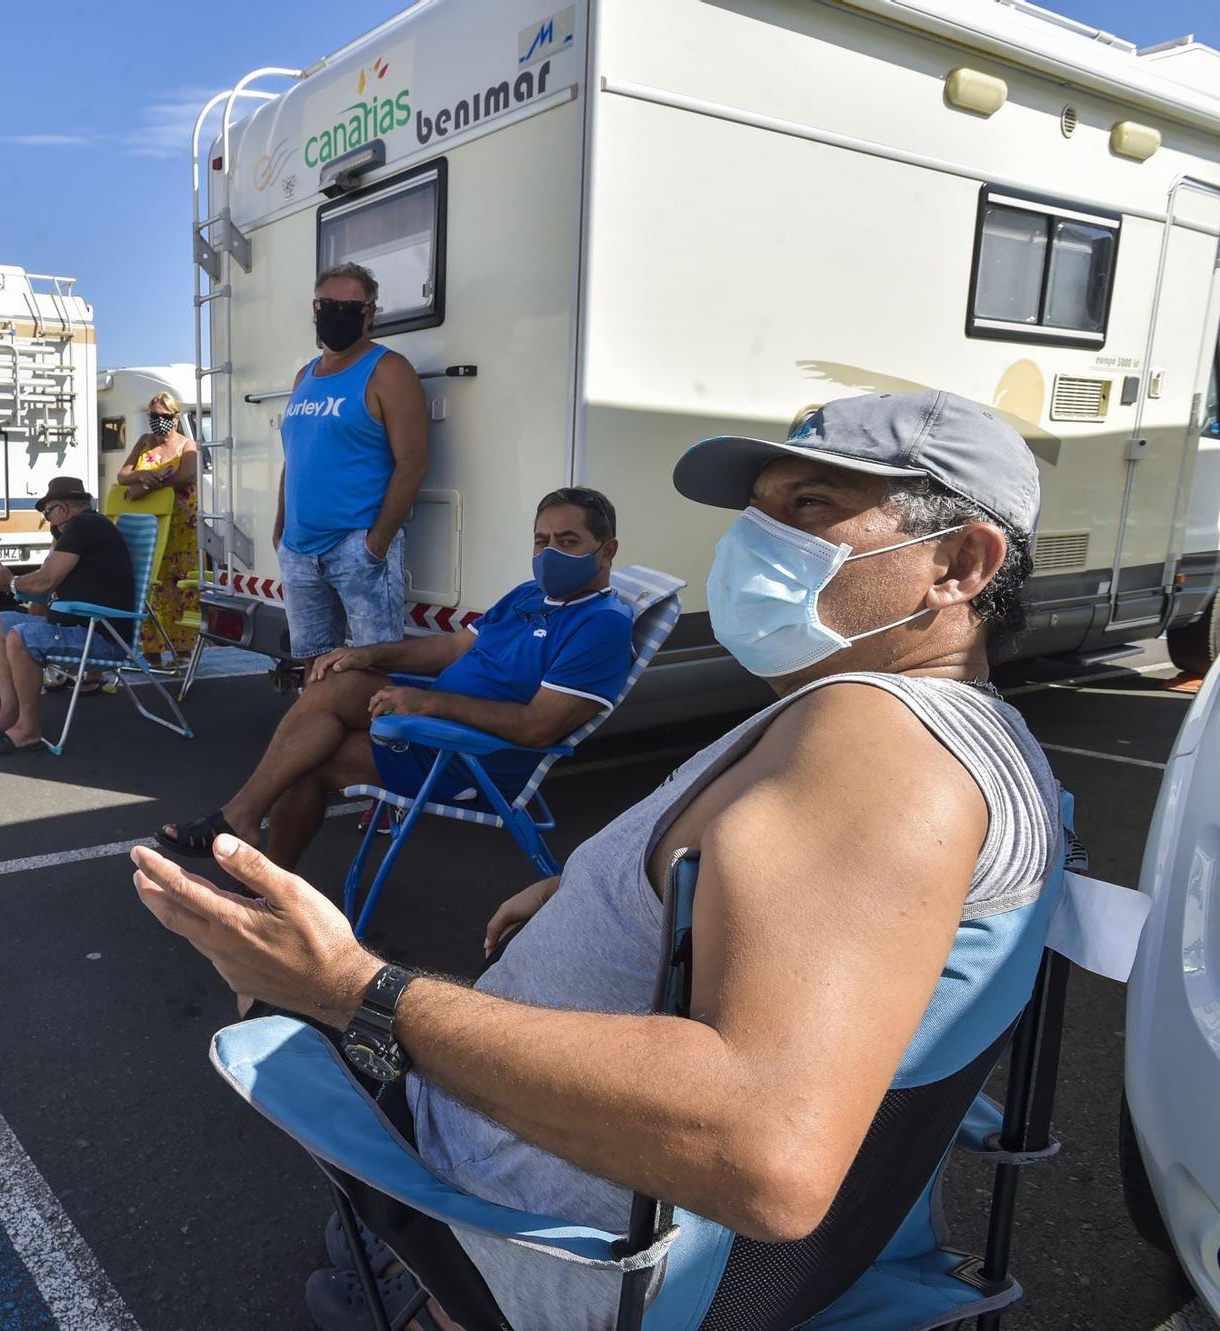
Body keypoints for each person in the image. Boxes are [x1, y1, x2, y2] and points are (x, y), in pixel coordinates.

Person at [132, 391, 1057, 1330]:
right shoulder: (941, 729)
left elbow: (765, 1148)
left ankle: (413, 1274)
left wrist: (355, 988)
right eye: (758, 512)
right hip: (565, 1154)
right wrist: (597, 885)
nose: (756, 541)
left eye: (810, 508)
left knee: (274, 989)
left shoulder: (879, 745)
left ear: (959, 564)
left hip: (532, 1231)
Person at [160, 489, 634, 868]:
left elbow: (537, 727)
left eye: (567, 541)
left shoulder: (602, 625)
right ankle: (243, 817)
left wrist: (427, 704)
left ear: (606, 550)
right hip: (434, 724)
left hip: (469, 756)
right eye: (541, 540)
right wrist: (367, 653)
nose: (550, 552)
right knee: (337, 682)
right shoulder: (529, 594)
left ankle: (264, 886)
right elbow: (450, 648)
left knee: (306, 763)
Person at [277, 262, 430, 664]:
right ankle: (321, 728)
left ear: (370, 313)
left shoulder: (388, 370)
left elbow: (412, 463)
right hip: (298, 549)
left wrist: (375, 545)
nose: (336, 313)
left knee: (373, 669)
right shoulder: (303, 376)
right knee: (314, 666)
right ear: (315, 306)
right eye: (328, 304)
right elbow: (293, 458)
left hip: (357, 547)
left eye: (350, 306)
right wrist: (280, 531)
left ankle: (371, 731)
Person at [0, 477, 134, 757]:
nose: (49, 521)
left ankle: (28, 731)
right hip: (83, 626)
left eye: (48, 513)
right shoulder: (85, 529)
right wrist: (20, 587)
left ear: (63, 509)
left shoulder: (85, 525)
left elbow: (45, 582)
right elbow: (46, 584)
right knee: (0, 623)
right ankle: (9, 713)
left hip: (102, 636)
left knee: (21, 637)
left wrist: (10, 583)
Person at [115, 391, 200, 661]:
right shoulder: (144, 442)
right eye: (153, 416)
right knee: (149, 584)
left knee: (181, 586)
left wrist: (150, 485)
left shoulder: (187, 445)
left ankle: (183, 649)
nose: (158, 421)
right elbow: (123, 475)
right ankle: (151, 649)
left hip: (180, 526)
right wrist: (144, 476)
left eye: (163, 416)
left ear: (175, 417)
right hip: (148, 524)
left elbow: (188, 475)